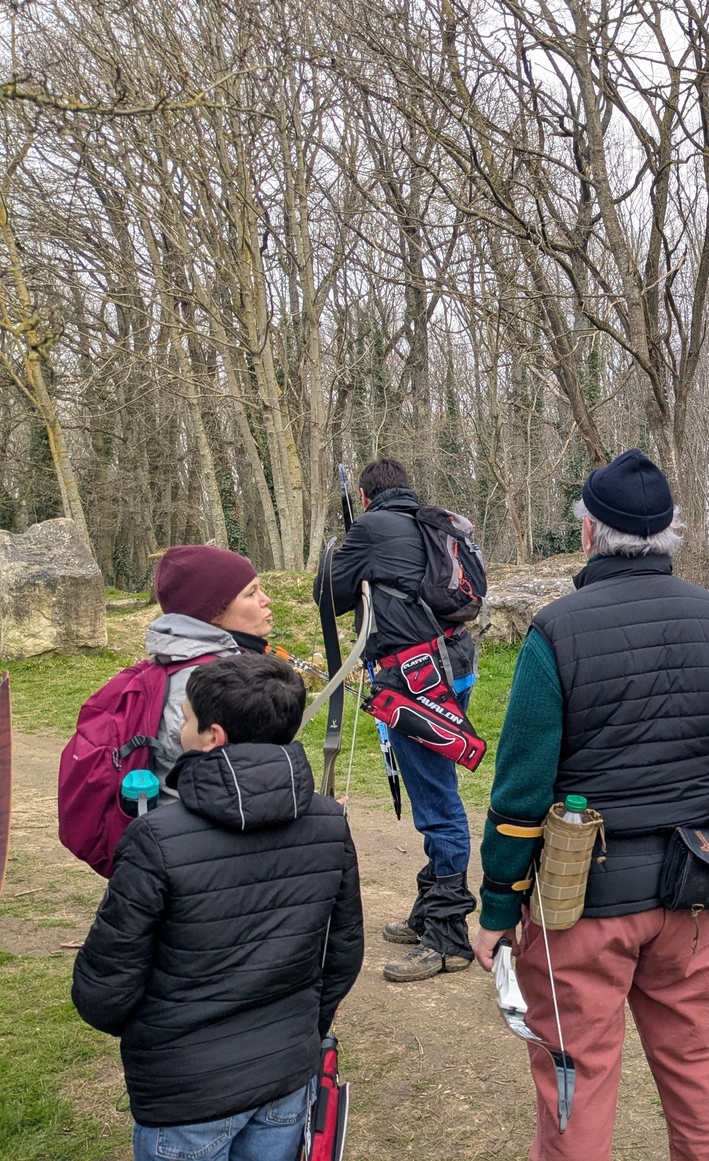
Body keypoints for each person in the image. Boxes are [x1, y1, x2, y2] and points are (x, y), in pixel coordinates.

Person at [474, 448, 709, 1161]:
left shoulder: (556, 629)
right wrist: (693, 802)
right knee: (697, 1058)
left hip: (579, 905)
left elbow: (521, 793)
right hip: (691, 889)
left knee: (576, 1074)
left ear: (588, 531)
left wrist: (496, 908)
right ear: (670, 532)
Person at [71, 653, 363, 1161]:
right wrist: (301, 1029)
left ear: (213, 737)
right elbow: (344, 955)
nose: (178, 728)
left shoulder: (155, 837)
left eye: (185, 718)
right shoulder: (330, 823)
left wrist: (155, 1037)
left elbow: (105, 985)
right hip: (284, 1073)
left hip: (187, 1089)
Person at [331, 457, 479, 982]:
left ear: (365, 497)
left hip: (417, 680)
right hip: (454, 667)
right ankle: (430, 910)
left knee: (437, 802)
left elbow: (330, 595)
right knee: (432, 790)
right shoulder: (433, 524)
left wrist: (344, 549)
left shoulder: (372, 527)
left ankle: (448, 937)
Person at [145, 544, 276, 798]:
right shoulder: (203, 681)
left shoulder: (218, 663)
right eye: (251, 593)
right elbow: (229, 792)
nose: (265, 599)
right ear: (216, 613)